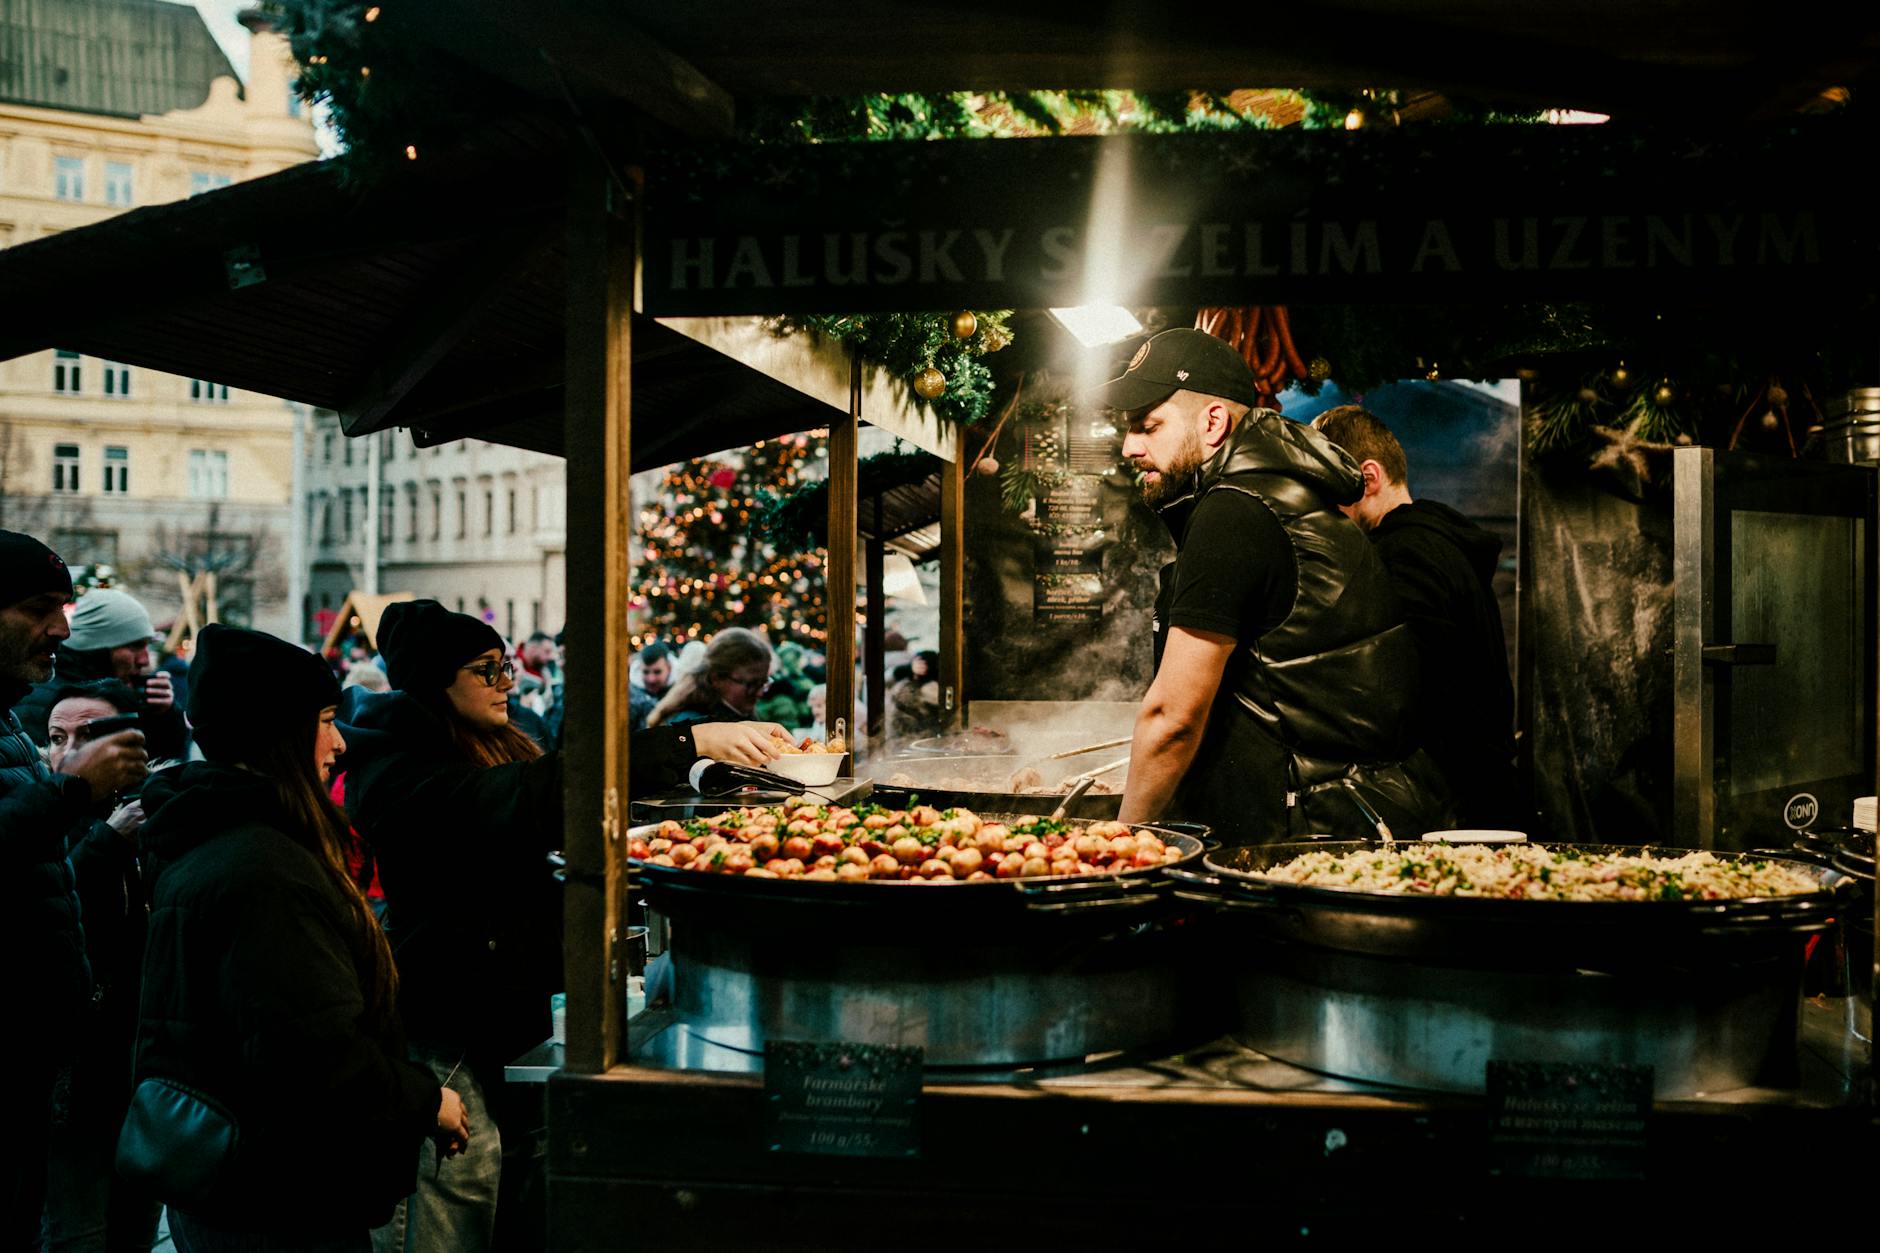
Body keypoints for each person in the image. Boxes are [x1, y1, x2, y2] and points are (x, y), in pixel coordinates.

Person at [336, 601, 785, 1253]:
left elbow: (562, 802)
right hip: (447, 1025)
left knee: (511, 1199)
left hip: (513, 1019)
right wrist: (688, 740)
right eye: (486, 669)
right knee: (452, 1212)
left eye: (506, 665)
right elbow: (530, 797)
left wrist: (698, 779)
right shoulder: (396, 769)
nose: (506, 682)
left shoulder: (491, 739)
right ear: (437, 677)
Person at [131, 623, 465, 1252]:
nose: (339, 743)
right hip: (274, 1198)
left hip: (238, 1185)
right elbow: (313, 1055)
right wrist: (426, 1101)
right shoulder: (263, 870)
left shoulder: (226, 839)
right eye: (326, 720)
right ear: (277, 732)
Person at [1098, 329, 1448, 845]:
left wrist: (1119, 846)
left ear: (1213, 422)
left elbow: (1173, 716)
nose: (1130, 447)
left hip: (1300, 832)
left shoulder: (1233, 511)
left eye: (1148, 426)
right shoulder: (1284, 494)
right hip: (1346, 817)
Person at [1, 532, 148, 1251]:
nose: (62, 627)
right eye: (39, 608)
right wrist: (72, 792)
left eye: (64, 607)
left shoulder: (7, 719)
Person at [1311, 405, 1519, 829]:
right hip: (1477, 795)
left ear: (1368, 478)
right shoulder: (1438, 543)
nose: (1321, 510)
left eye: (1325, 490)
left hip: (1452, 811)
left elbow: (1402, 697)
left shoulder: (1403, 555)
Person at [41, 680, 166, 1253]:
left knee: (135, 1228)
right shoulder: (37, 825)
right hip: (74, 1087)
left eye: (90, 736)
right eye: (56, 737)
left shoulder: (159, 818)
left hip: (142, 1075)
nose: (69, 751)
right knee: (78, 1232)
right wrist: (103, 844)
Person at [14, 588, 188, 761]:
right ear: (99, 650)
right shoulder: (41, 701)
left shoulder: (114, 692)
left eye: (146, 646)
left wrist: (165, 717)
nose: (144, 660)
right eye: (134, 646)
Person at [645, 627, 773, 728]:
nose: (760, 692)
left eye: (764, 683)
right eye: (752, 684)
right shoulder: (692, 725)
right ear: (716, 678)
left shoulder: (740, 712)